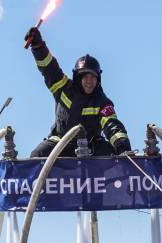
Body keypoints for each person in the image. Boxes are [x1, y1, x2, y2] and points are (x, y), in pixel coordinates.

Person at [24, 26, 131, 157]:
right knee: (38, 155)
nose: (89, 81)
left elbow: (112, 126)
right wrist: (38, 46)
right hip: (61, 141)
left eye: (93, 77)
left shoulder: (102, 102)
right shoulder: (62, 88)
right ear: (78, 78)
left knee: (110, 155)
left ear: (98, 79)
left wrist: (123, 148)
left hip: (92, 144)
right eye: (85, 77)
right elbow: (49, 68)